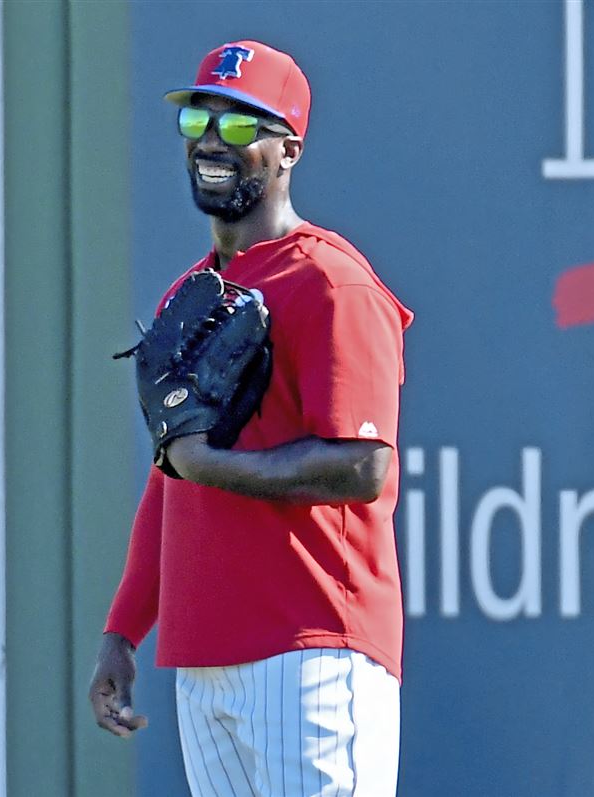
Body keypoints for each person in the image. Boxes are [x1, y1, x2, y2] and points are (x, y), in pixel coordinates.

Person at [89, 40, 414, 797]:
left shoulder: (332, 281)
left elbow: (363, 465)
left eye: (240, 127)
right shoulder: (187, 294)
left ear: (288, 149)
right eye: (200, 118)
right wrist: (123, 628)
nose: (212, 139)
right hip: (206, 655)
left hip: (313, 645)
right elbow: (171, 473)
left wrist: (214, 466)